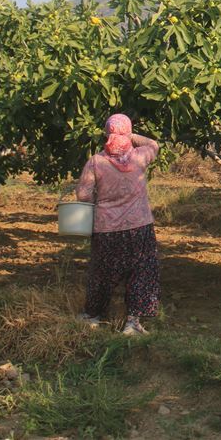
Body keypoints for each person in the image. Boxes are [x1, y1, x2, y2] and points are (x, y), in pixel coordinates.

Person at [75, 113, 161, 336]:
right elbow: (154, 144)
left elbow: (83, 195)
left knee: (102, 273)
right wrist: (130, 135)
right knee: (141, 271)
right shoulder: (140, 157)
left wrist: (98, 199)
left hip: (107, 228)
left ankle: (93, 316)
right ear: (128, 132)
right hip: (139, 226)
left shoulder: (96, 162)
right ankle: (132, 323)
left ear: (107, 133)